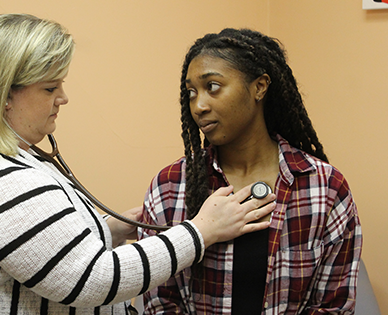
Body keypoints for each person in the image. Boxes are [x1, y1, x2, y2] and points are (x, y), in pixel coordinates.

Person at [0, 15, 276, 315]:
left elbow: (31, 245)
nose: (63, 98)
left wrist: (105, 231)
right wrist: (201, 231)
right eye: (50, 88)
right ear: (3, 95)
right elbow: (93, 280)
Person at [139, 28, 362, 314]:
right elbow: (160, 302)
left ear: (260, 87)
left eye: (213, 87)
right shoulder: (170, 187)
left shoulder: (325, 187)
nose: (199, 105)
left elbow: (334, 305)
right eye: (191, 93)